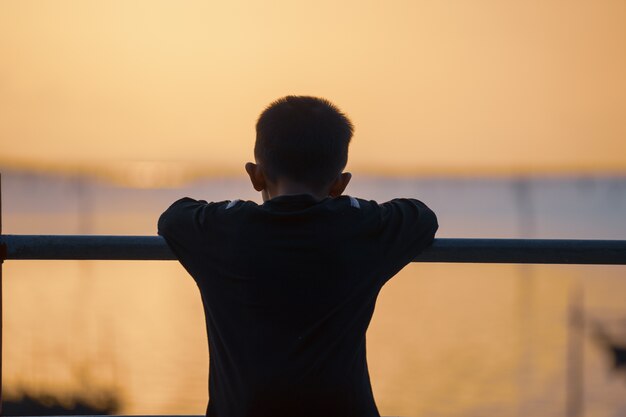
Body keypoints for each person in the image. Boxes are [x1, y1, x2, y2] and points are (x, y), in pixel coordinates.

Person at [158, 96, 438, 417]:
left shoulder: (224, 230)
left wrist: (233, 210)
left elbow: (174, 216)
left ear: (255, 175)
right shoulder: (360, 228)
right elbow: (421, 216)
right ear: (340, 183)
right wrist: (346, 206)